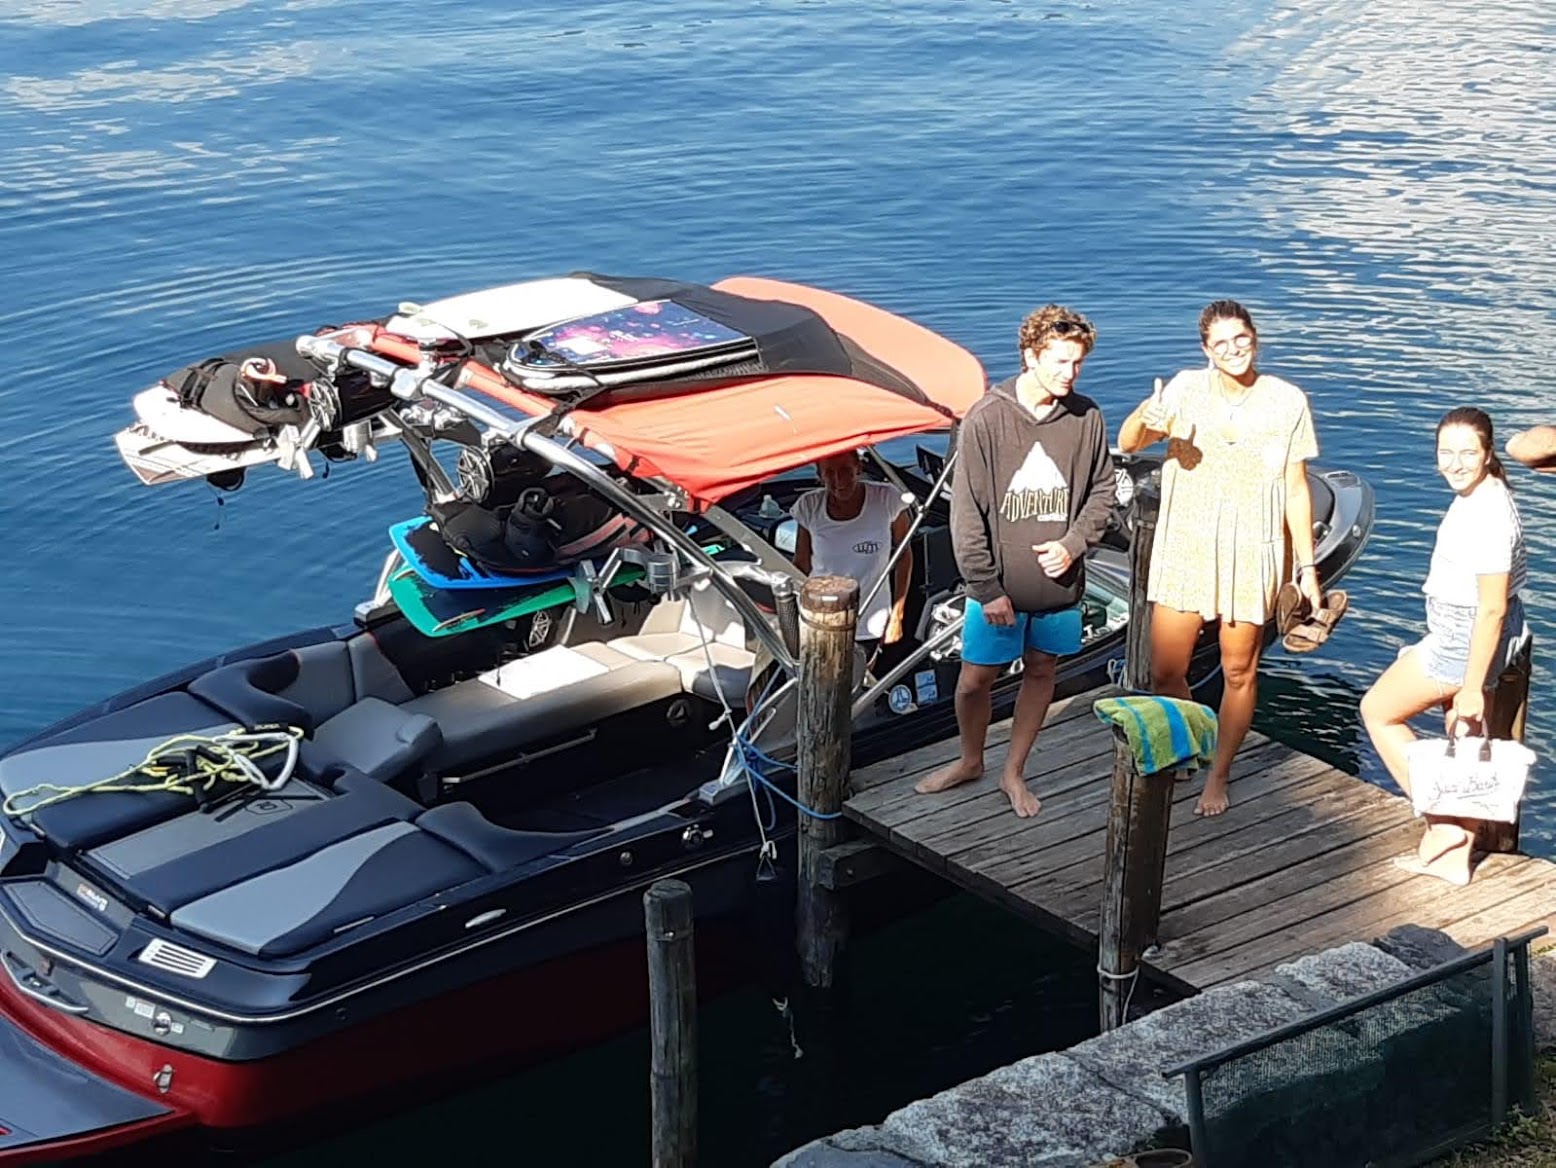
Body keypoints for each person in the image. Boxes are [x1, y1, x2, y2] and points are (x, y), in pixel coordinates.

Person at [1116, 299, 1323, 817]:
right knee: (1166, 668)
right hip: (1187, 540)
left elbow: (1296, 489)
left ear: (1255, 339)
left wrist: (1307, 567)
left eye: (1242, 339)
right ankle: (1189, 742)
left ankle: (1219, 774)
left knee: (1238, 671)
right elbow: (1127, 441)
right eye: (1221, 343)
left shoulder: (1287, 400)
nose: (1233, 350)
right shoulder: (1184, 389)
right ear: (1206, 350)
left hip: (1253, 546)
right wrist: (1148, 418)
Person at [915, 305, 1115, 817]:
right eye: (1059, 362)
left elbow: (1102, 490)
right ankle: (970, 759)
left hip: (1061, 586)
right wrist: (986, 588)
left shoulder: (1087, 417)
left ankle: (1014, 770)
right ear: (1030, 356)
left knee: (1043, 672)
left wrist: (1073, 545)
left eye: (1077, 363)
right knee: (973, 681)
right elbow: (966, 515)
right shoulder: (986, 419)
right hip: (999, 589)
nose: (1069, 373)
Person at [1360, 407, 1529, 886]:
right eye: (1445, 453)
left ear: (1489, 453)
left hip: (1465, 636)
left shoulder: (1489, 516)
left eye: (1467, 453)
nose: (1454, 463)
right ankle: (1453, 855)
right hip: (1469, 633)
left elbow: (1491, 608)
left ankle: (1444, 822)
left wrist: (1472, 684)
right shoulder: (1485, 495)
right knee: (1464, 740)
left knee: (1379, 710)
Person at [792, 451, 913, 653]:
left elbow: (904, 554)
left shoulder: (887, 498)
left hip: (869, 621)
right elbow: (801, 565)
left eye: (845, 471)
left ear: (859, 468)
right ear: (820, 475)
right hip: (820, 618)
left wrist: (897, 615)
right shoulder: (808, 506)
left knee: (860, 680)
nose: (838, 481)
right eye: (829, 473)